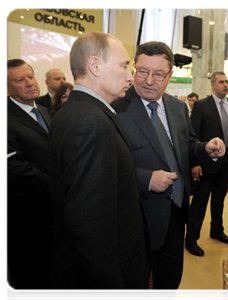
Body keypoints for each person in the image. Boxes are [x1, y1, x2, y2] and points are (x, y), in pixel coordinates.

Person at [112, 41, 225, 300]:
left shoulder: (177, 107)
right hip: (138, 215)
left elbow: (187, 145)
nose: (149, 80)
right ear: (133, 68)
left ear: (170, 76)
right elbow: (109, 163)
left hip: (176, 210)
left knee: (168, 282)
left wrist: (206, 147)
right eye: (142, 71)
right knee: (136, 287)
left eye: (158, 74)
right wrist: (145, 179)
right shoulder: (117, 107)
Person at [48, 31, 150, 300]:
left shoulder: (73, 112)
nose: (130, 76)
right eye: (124, 66)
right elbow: (91, 228)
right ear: (94, 66)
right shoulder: (91, 123)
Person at [5, 58, 53, 299]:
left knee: (48, 270)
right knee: (27, 274)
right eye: (19, 80)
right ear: (6, 89)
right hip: (24, 214)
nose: (29, 83)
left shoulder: (43, 110)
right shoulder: (5, 117)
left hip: (51, 211)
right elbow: (13, 167)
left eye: (30, 77)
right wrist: (56, 184)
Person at [185, 71, 228, 255]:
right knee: (200, 201)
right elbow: (192, 135)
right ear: (212, 85)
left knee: (219, 199)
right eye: (221, 82)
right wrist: (195, 163)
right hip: (207, 160)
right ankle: (191, 239)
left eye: (227, 82)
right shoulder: (202, 105)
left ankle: (217, 230)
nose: (225, 85)